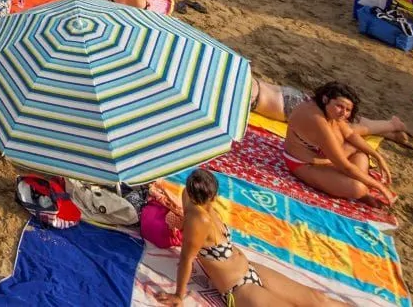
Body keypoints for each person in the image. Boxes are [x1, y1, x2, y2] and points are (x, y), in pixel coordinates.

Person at [157, 168, 349, 307]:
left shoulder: (191, 197)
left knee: (319, 299)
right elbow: (186, 259)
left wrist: (179, 222)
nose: (213, 202)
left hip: (250, 268)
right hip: (238, 288)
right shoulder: (198, 219)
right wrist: (179, 295)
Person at [281, 83, 393, 209]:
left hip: (325, 159)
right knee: (358, 188)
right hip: (304, 164)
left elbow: (350, 134)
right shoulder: (316, 120)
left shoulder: (327, 110)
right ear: (325, 99)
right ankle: (360, 192)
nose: (343, 113)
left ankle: (351, 185)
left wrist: (378, 157)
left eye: (348, 110)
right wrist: (380, 186)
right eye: (339, 106)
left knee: (361, 155)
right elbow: (345, 167)